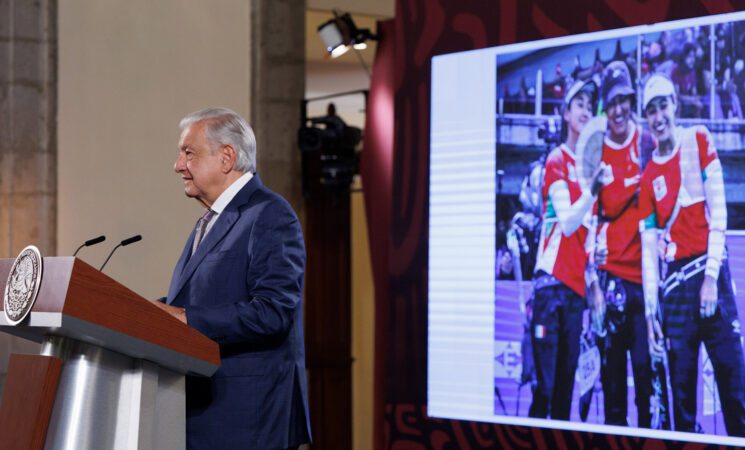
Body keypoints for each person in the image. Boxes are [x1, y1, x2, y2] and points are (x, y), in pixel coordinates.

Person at [153, 107, 311, 449]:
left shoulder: (270, 213)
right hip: (205, 413)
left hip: (247, 419)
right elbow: (202, 300)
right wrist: (153, 311)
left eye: (188, 153)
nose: (178, 165)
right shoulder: (208, 221)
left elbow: (273, 312)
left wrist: (184, 318)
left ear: (227, 157)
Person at [639, 74, 745, 435]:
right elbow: (649, 252)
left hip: (712, 278)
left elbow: (720, 213)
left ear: (675, 105)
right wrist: (651, 311)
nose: (658, 117)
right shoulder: (647, 176)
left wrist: (712, 277)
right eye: (650, 111)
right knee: (681, 409)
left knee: (737, 395)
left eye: (663, 106)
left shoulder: (699, 137)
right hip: (674, 296)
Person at [529, 79, 601, 420]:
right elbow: (569, 223)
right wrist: (593, 192)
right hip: (549, 288)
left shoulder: (592, 172)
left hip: (575, 295)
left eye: (590, 105)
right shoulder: (556, 160)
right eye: (579, 103)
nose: (586, 110)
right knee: (543, 392)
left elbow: (587, 240)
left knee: (563, 399)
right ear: (565, 113)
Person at [593, 60, 653, 428]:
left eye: (624, 101)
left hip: (645, 287)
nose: (618, 110)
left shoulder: (647, 142)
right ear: (604, 106)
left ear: (632, 101)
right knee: (612, 388)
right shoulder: (594, 149)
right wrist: (592, 282)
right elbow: (587, 219)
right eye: (611, 102)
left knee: (647, 384)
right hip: (610, 282)